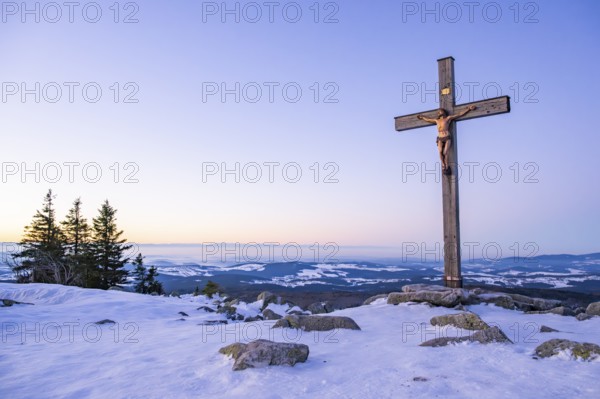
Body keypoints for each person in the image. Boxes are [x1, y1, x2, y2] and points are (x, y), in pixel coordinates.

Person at [417, 105, 476, 174]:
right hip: (440, 138)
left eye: (440, 111)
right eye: (438, 112)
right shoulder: (437, 120)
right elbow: (428, 119)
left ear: (444, 112)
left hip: (447, 136)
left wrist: (468, 109)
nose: (439, 112)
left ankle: (447, 166)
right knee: (440, 152)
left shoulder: (448, 118)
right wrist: (422, 117)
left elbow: (459, 114)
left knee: (445, 152)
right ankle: (443, 165)